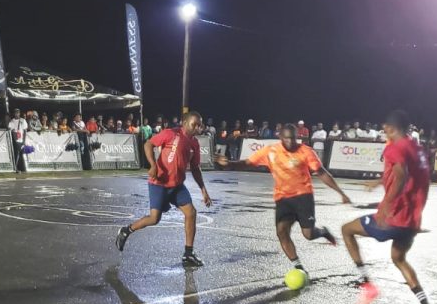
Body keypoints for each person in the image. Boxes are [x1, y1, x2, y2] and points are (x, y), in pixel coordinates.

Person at [339, 109, 437, 304]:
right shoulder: (419, 150)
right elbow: (409, 176)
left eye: (386, 128)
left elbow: (401, 176)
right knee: (399, 259)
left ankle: (367, 284)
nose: (384, 131)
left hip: (393, 218)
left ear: (391, 128)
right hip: (412, 222)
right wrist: (378, 182)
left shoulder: (394, 147)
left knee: (347, 230)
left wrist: (385, 206)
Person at [215, 125, 351, 272]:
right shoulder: (271, 151)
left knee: (308, 235)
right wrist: (229, 164)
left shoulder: (306, 151)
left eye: (292, 138)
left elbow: (322, 173)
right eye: (286, 138)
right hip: (283, 199)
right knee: (281, 231)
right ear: (280, 138)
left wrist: (341, 193)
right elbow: (247, 163)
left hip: (303, 197)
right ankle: (298, 267)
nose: (290, 141)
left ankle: (323, 232)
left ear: (296, 137)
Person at [115, 112, 212, 267]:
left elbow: (195, 168)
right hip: (159, 183)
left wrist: (203, 190)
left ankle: (188, 254)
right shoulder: (170, 133)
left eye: (200, 125)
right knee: (154, 219)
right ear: (184, 122)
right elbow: (148, 144)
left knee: (191, 213)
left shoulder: (194, 143)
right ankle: (126, 230)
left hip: (177, 186)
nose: (198, 127)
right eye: (195, 124)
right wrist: (153, 165)